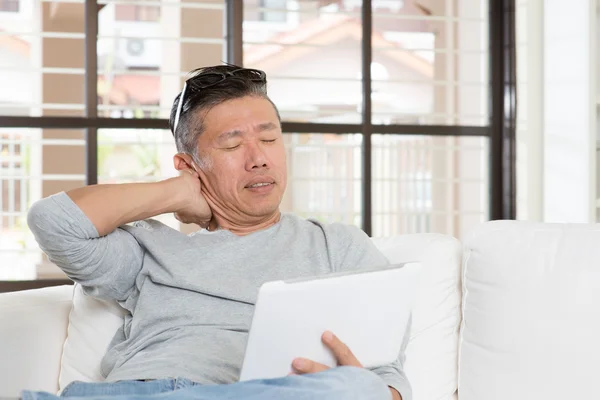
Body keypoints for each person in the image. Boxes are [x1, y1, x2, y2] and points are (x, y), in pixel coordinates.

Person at [22, 65, 411, 400]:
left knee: (356, 390)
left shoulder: (336, 246)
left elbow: (385, 377)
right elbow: (53, 221)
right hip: (146, 388)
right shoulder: (149, 249)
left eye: (270, 138)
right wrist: (177, 191)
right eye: (233, 144)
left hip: (274, 393)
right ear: (189, 164)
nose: (259, 159)